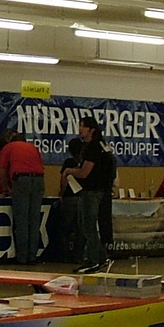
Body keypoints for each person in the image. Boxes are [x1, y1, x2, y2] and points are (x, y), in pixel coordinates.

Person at [65, 117, 116, 273]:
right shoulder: (102, 145)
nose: (80, 129)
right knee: (90, 225)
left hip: (92, 191)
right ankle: (101, 257)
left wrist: (68, 171)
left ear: (91, 130)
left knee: (87, 226)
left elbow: (84, 173)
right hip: (102, 190)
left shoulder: (93, 147)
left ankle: (92, 260)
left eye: (83, 126)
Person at [0, 128, 46, 264]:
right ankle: (33, 256)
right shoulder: (33, 147)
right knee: (34, 220)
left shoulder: (8, 147)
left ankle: (22, 257)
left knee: (22, 219)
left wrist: (5, 188)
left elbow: (2, 171)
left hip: (21, 180)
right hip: (39, 180)